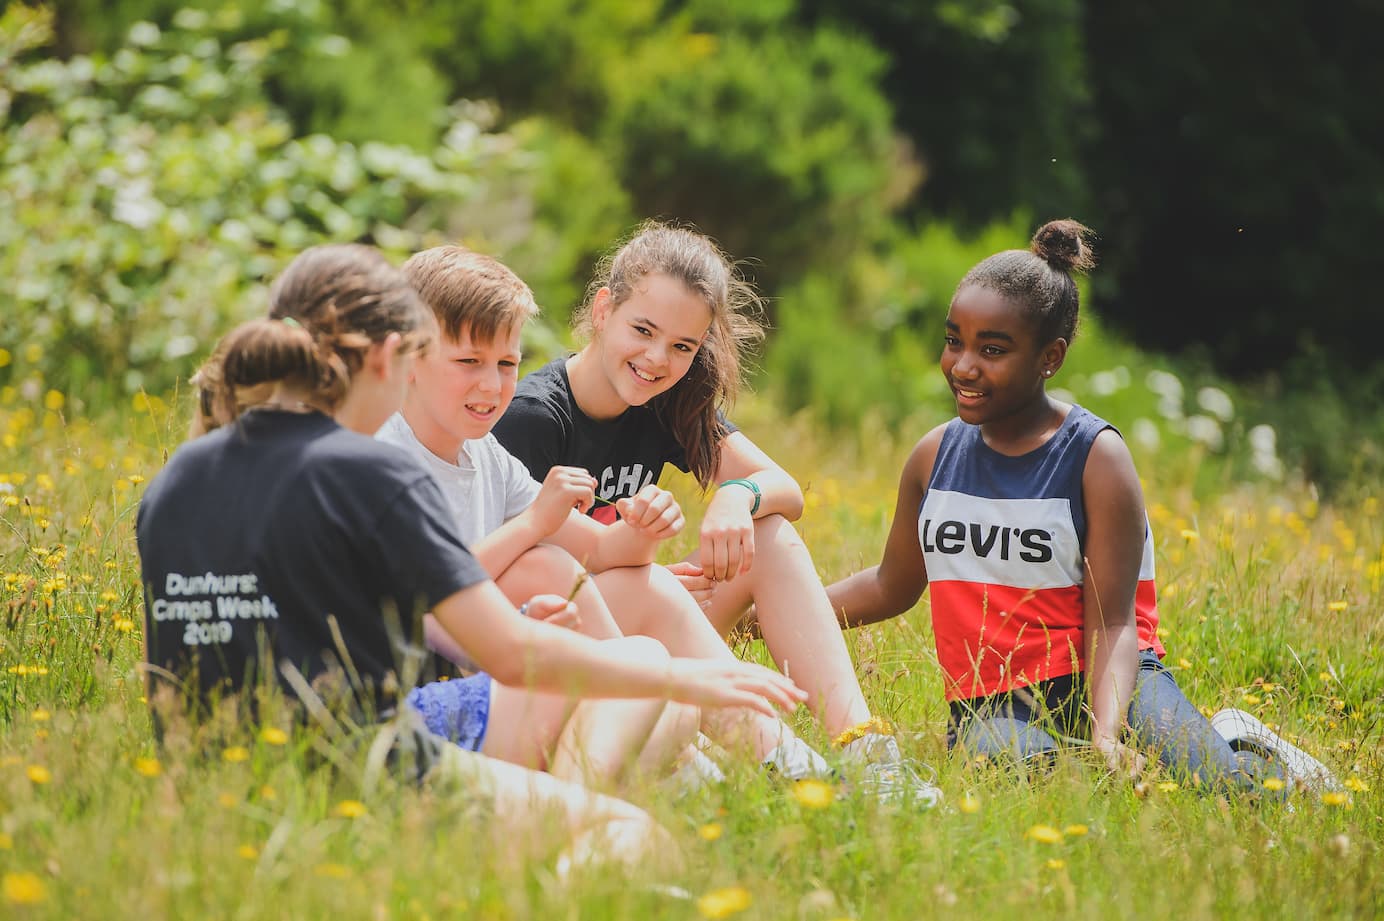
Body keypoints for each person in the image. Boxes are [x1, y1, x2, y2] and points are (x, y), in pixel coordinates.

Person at [138, 244, 807, 874]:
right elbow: (511, 654)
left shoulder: (174, 479)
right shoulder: (369, 472)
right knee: (635, 833)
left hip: (211, 784)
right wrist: (683, 679)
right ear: (394, 357)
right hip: (361, 764)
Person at [825, 220, 1338, 793]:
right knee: (1037, 783)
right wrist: (763, 617)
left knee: (1228, 795)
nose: (964, 366)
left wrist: (1107, 732)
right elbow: (891, 586)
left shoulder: (1096, 458)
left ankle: (1243, 747)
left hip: (1118, 675)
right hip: (998, 700)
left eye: (992, 349)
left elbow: (1115, 621)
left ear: (1051, 358)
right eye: (954, 341)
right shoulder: (932, 458)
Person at [492, 222, 940, 803]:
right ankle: (795, 774)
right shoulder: (534, 417)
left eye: (682, 346)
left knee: (771, 534)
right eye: (643, 331)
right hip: (556, 642)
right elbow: (521, 572)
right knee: (651, 585)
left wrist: (735, 496)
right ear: (603, 310)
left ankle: (865, 751)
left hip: (644, 612)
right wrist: (640, 574)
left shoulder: (661, 402)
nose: (657, 360)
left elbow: (783, 488)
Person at [378, 244, 845, 786]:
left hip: (507, 649)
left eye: (507, 363)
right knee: (548, 566)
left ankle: (785, 759)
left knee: (639, 591)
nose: (492, 384)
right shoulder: (389, 455)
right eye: (469, 363)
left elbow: (603, 552)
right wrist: (537, 525)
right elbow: (427, 603)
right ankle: (674, 755)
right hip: (427, 682)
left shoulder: (486, 455)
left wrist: (642, 529)